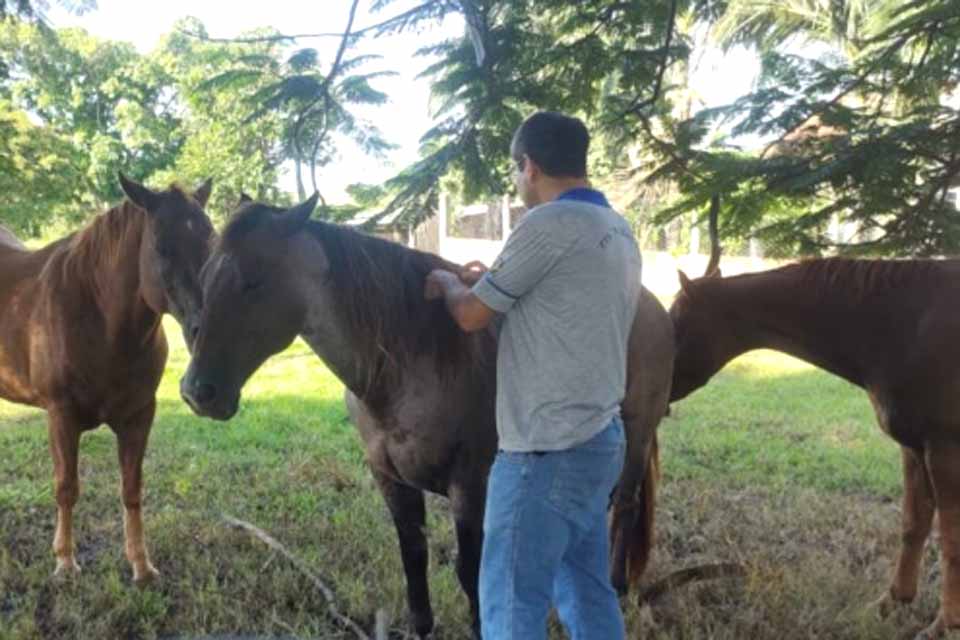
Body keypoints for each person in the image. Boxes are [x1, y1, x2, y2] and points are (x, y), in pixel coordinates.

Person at [424, 111, 641, 639]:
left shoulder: (545, 225)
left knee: (508, 606)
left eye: (515, 172)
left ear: (530, 166)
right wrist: (489, 280)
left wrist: (448, 284)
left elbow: (472, 315)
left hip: (543, 456)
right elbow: (555, 297)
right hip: (599, 442)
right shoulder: (616, 228)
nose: (517, 183)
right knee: (587, 589)